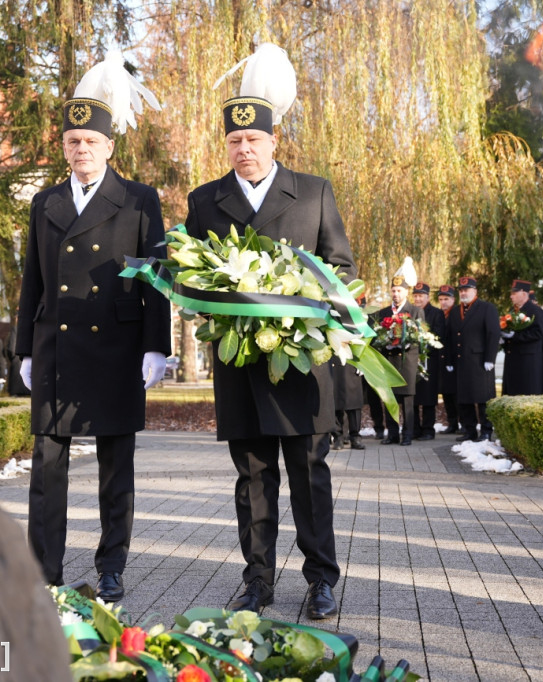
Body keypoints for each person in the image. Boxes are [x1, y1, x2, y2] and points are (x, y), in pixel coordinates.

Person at [184, 80, 354, 619]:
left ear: (275, 140)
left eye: (254, 137)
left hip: (301, 363)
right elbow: (190, 277)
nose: (245, 149)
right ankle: (257, 581)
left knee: (309, 476)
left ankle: (321, 580)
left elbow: (341, 268)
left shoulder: (313, 191)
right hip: (240, 364)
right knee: (253, 479)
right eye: (235, 139)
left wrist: (307, 308)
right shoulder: (204, 201)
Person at [15, 52, 171, 602]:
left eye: (90, 141)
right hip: (55, 343)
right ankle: (43, 570)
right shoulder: (45, 202)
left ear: (110, 146)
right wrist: (23, 350)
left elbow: (155, 277)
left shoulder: (138, 199)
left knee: (114, 468)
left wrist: (158, 347)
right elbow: (32, 276)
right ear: (64, 147)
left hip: (118, 347)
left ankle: (112, 566)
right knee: (47, 469)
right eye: (71, 141)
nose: (80, 150)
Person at [371, 273, 423, 446]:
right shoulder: (383, 313)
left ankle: (407, 435)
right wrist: (385, 343)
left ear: (406, 292)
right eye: (393, 290)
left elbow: (421, 337)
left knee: (408, 400)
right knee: (389, 399)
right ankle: (392, 434)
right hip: (389, 362)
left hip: (407, 362)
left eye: (399, 291)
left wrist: (407, 343)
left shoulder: (415, 311)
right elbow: (375, 337)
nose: (396, 294)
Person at [445, 276, 499, 442]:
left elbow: (493, 333)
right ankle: (469, 431)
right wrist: (449, 360)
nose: (463, 293)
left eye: (466, 290)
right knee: (464, 399)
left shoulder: (486, 308)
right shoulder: (455, 311)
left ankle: (486, 431)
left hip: (480, 362)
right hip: (462, 362)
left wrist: (490, 358)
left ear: (475, 291)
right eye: (461, 290)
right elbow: (449, 337)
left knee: (483, 398)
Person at [500, 279, 543, 396]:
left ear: (524, 294)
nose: (511, 296)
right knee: (511, 391)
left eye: (514, 293)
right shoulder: (512, 311)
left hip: (527, 360)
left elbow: (538, 333)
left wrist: (515, 336)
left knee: (525, 391)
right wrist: (504, 338)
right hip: (512, 357)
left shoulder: (535, 310)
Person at [411, 282, 444, 440]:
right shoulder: (409, 312)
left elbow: (439, 334)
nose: (417, 299)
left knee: (429, 397)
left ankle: (429, 430)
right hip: (412, 361)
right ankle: (415, 429)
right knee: (414, 396)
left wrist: (424, 344)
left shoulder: (437, 313)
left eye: (420, 296)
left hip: (430, 360)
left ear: (427, 297)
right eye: (415, 296)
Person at [436, 284, 460, 433]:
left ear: (453, 299)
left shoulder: (457, 314)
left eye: (446, 299)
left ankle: (462, 422)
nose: (443, 302)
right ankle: (452, 423)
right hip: (443, 360)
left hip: (455, 360)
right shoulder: (440, 315)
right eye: (441, 299)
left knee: (457, 394)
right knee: (446, 393)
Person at [330, 357, 364, 450]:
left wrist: (363, 363)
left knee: (354, 402)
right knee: (335, 401)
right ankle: (338, 437)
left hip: (352, 360)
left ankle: (355, 437)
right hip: (334, 361)